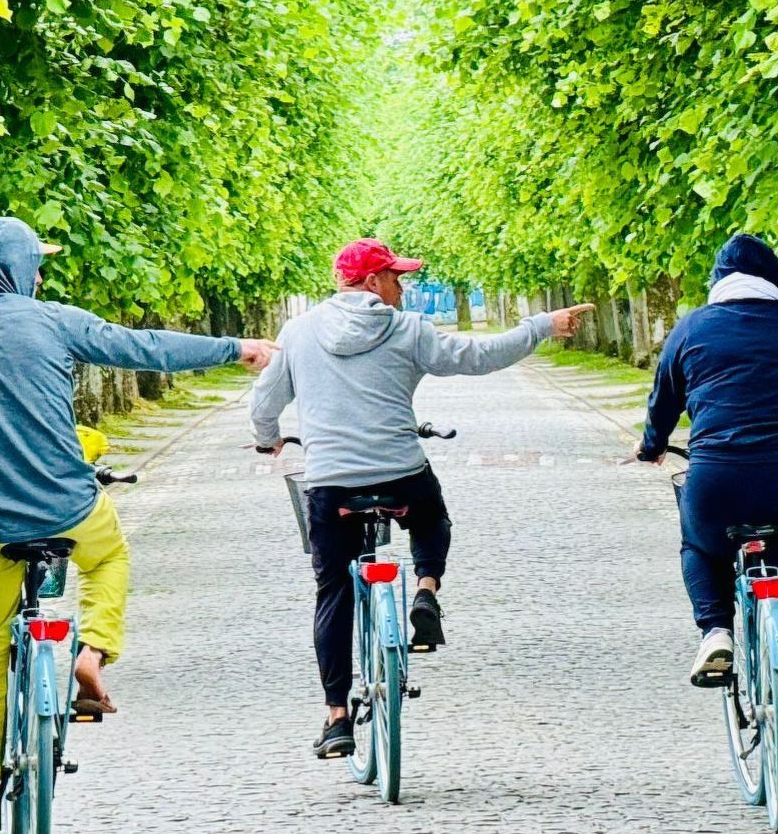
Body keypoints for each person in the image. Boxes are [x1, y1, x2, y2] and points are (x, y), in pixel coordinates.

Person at [0, 216, 277, 834]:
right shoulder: (56, 322)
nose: (40, 274)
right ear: (21, 271)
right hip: (72, 508)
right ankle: (92, 650)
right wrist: (235, 348)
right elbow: (146, 346)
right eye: (35, 264)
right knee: (108, 558)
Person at [251, 238, 591, 758]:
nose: (402, 286)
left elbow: (266, 402)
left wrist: (268, 436)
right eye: (395, 277)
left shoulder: (297, 335)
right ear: (371, 282)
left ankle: (337, 716)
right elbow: (481, 356)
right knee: (431, 517)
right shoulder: (408, 331)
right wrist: (541, 325)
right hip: (400, 474)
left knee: (332, 588)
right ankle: (426, 590)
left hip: (331, 482)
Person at [636, 233, 778, 784]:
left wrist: (653, 445)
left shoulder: (691, 330)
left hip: (719, 477)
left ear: (716, 284)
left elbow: (663, 399)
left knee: (700, 546)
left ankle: (715, 632)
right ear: (775, 281)